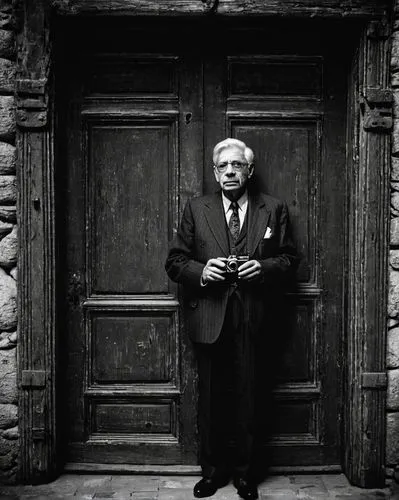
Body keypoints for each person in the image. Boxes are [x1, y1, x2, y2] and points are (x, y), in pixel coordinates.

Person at [165, 138, 298, 500]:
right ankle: (212, 473)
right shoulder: (196, 209)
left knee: (249, 399)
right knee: (211, 400)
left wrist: (266, 268)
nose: (229, 172)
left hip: (254, 317)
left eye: (237, 165)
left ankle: (244, 475)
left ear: (249, 171)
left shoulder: (273, 208)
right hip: (209, 315)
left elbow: (289, 260)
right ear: (214, 171)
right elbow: (175, 262)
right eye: (223, 166)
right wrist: (202, 271)